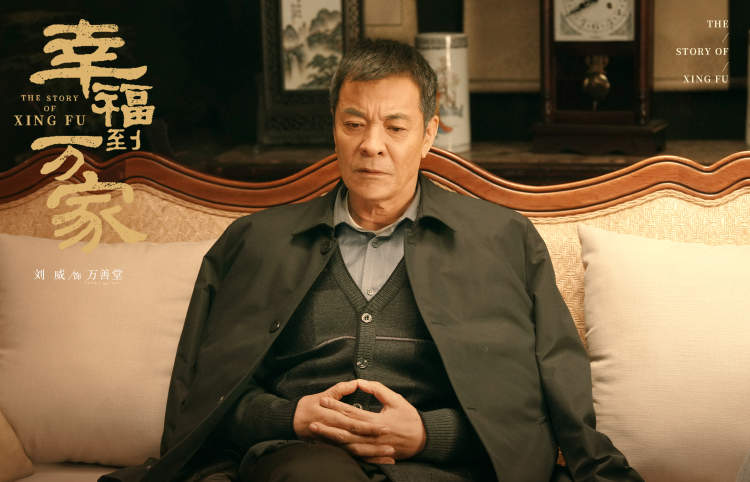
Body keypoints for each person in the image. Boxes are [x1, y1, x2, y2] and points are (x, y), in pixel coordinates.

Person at [101, 38, 642, 482]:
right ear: (333, 128)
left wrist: (429, 434)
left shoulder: (503, 240)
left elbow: (541, 396)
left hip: (446, 470)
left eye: (396, 128)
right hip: (304, 464)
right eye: (354, 123)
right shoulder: (256, 242)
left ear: (429, 134)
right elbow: (206, 397)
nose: (371, 145)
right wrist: (293, 417)